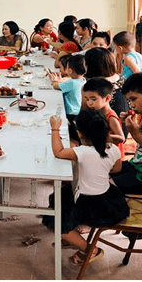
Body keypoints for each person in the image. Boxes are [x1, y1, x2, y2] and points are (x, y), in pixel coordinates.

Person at [43, 110, 128, 265]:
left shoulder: (83, 152)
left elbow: (58, 152)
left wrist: (55, 128)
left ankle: (89, 249)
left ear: (80, 133)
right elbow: (116, 169)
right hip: (107, 199)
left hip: (87, 203)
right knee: (62, 198)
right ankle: (73, 239)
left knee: (57, 220)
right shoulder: (113, 149)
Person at [82, 78, 125, 158]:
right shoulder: (96, 111)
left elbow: (121, 138)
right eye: (87, 99)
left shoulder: (111, 117)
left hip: (112, 157)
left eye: (93, 99)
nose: (89, 103)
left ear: (107, 98)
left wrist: (102, 136)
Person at [84, 47, 128, 124]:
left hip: (106, 125)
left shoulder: (93, 84)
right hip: (125, 122)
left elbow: (84, 109)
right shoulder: (121, 78)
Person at [51, 55, 86, 143]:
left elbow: (56, 86)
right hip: (79, 112)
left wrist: (55, 80)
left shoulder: (72, 82)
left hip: (71, 114)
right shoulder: (83, 80)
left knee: (71, 136)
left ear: (70, 70)